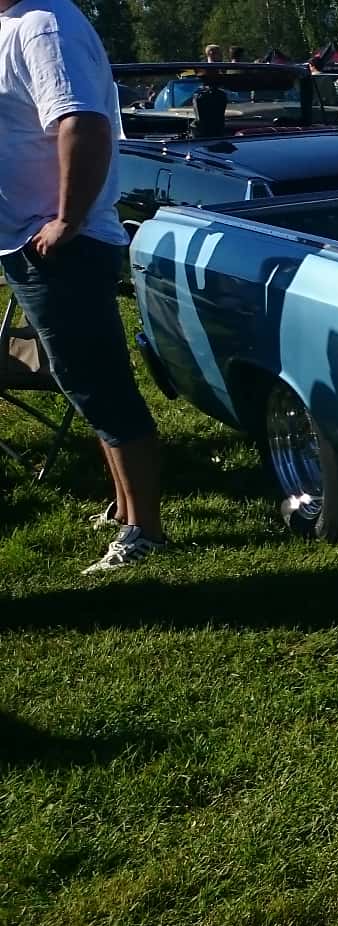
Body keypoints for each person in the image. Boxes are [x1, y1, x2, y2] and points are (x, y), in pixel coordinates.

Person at [1, 0, 168, 571]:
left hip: (59, 245)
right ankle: (125, 510)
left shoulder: (45, 23)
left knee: (97, 382)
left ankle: (144, 527)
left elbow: (82, 122)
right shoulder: (17, 24)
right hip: (32, 241)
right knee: (80, 380)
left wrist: (66, 221)